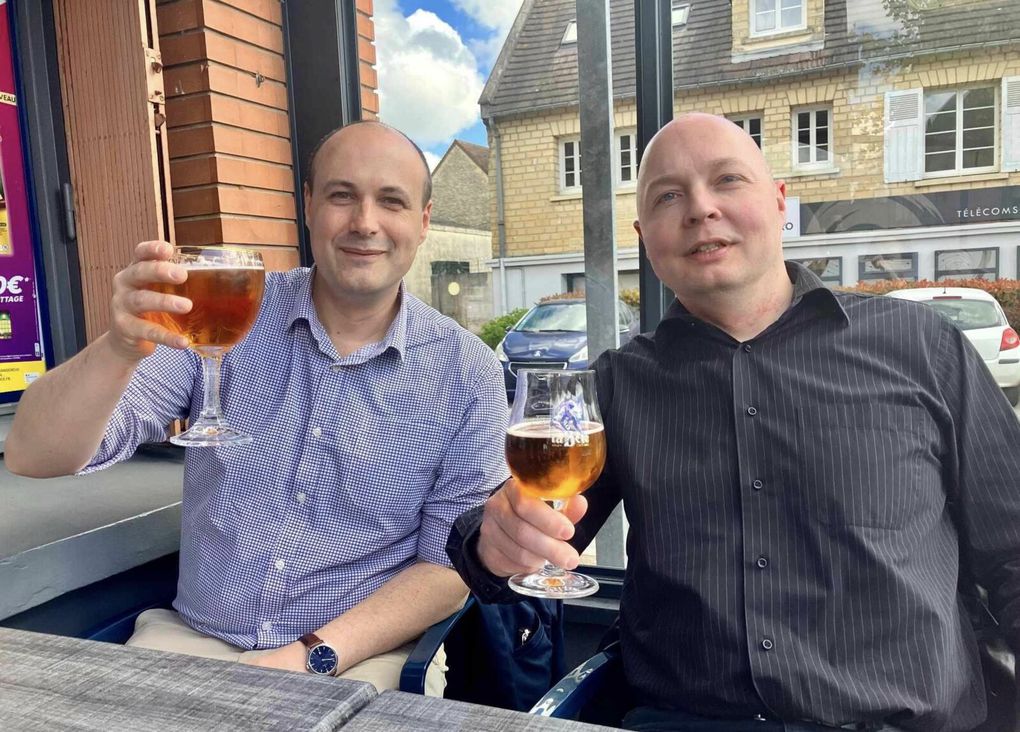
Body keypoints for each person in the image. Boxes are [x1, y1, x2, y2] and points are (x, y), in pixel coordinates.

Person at [447, 113, 1020, 730]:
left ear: (779, 205)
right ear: (646, 236)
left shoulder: (923, 350)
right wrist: (496, 539)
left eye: (727, 180)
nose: (699, 209)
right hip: (681, 719)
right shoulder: (617, 384)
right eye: (669, 195)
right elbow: (520, 547)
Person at [5, 121, 509, 695]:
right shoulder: (227, 314)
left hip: (359, 656)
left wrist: (310, 655)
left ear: (422, 222)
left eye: (390, 201)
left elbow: (448, 569)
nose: (365, 222)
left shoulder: (466, 371)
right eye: (342, 195)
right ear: (310, 206)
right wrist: (119, 348)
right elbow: (32, 454)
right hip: (193, 642)